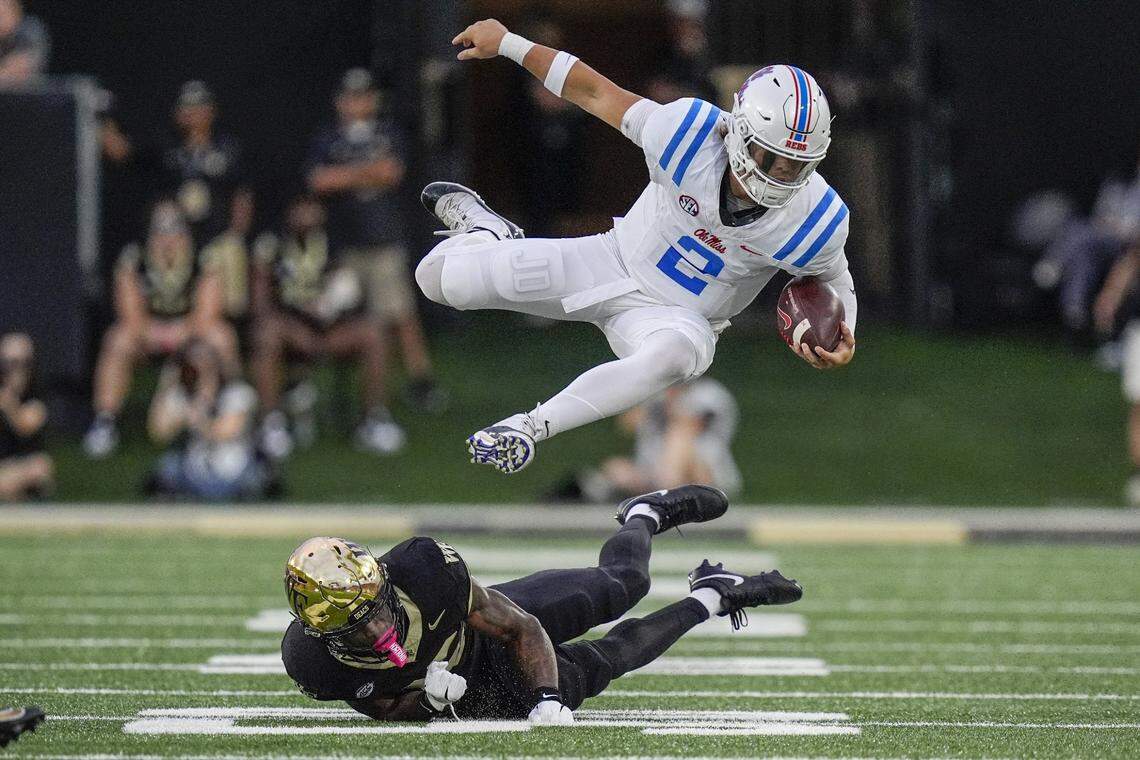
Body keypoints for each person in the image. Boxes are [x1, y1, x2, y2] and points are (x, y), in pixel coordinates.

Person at [416, 19, 858, 474]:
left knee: (673, 357)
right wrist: (510, 44)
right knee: (436, 279)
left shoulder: (815, 218)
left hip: (679, 319)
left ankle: (528, 427)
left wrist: (843, 333)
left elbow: (834, 277)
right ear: (740, 133)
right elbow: (594, 92)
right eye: (774, 158)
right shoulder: (688, 134)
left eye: (797, 165)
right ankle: (489, 234)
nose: (783, 174)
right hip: (611, 261)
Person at [281, 484, 802, 722]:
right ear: (323, 636)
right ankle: (713, 595)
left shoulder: (424, 572)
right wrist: (431, 702)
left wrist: (547, 699)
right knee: (608, 658)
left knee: (621, 585)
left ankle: (643, 513)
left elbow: (520, 629)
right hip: (479, 694)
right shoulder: (312, 661)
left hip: (490, 630)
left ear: (384, 584)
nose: (375, 635)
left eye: (374, 612)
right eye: (354, 632)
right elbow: (382, 704)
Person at [307, 68, 445, 413]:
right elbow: (319, 181)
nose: (357, 103)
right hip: (342, 244)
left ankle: (420, 381)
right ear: (340, 101)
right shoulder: (328, 138)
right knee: (338, 314)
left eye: (363, 96)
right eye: (351, 97)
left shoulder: (387, 133)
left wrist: (347, 174)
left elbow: (391, 173)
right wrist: (364, 173)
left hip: (382, 240)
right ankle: (326, 386)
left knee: (398, 313)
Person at [83, 200, 240, 458]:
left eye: (175, 227)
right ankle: (105, 421)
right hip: (147, 335)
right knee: (118, 339)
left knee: (222, 336)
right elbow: (129, 311)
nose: (168, 235)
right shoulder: (133, 257)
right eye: (161, 228)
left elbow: (209, 310)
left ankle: (231, 410)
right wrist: (153, 332)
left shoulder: (204, 256)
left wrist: (182, 332)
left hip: (192, 335)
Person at [250, 195, 405, 457]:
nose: (306, 215)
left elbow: (348, 292)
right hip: (288, 328)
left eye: (311, 209)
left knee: (374, 332)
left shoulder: (334, 243)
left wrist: (333, 304)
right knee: (267, 332)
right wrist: (294, 321)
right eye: (300, 208)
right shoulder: (271, 245)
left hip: (328, 329)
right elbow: (260, 305)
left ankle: (374, 419)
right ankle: (271, 423)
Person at [547, 377, 741, 503]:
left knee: (678, 439)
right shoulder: (656, 392)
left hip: (703, 474)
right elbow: (627, 424)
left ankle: (670, 502)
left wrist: (669, 400)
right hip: (654, 473)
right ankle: (652, 499)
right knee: (615, 469)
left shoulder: (708, 394)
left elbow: (688, 426)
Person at [145, 339, 269, 501]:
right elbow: (159, 432)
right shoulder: (183, 395)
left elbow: (226, 432)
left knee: (257, 472)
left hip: (234, 468)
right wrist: (166, 384)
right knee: (168, 465)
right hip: (194, 468)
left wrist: (196, 416)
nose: (199, 368)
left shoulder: (238, 392)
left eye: (205, 363)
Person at [0, 333, 52, 500]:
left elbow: (25, 426)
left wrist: (9, 402)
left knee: (40, 466)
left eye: (25, 363)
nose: (18, 371)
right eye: (10, 364)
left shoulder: (37, 397)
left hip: (22, 466)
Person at [0, 0, 49, 87]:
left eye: (2, 15)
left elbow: (16, 70)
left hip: (27, 94)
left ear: (16, 13)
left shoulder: (29, 31)